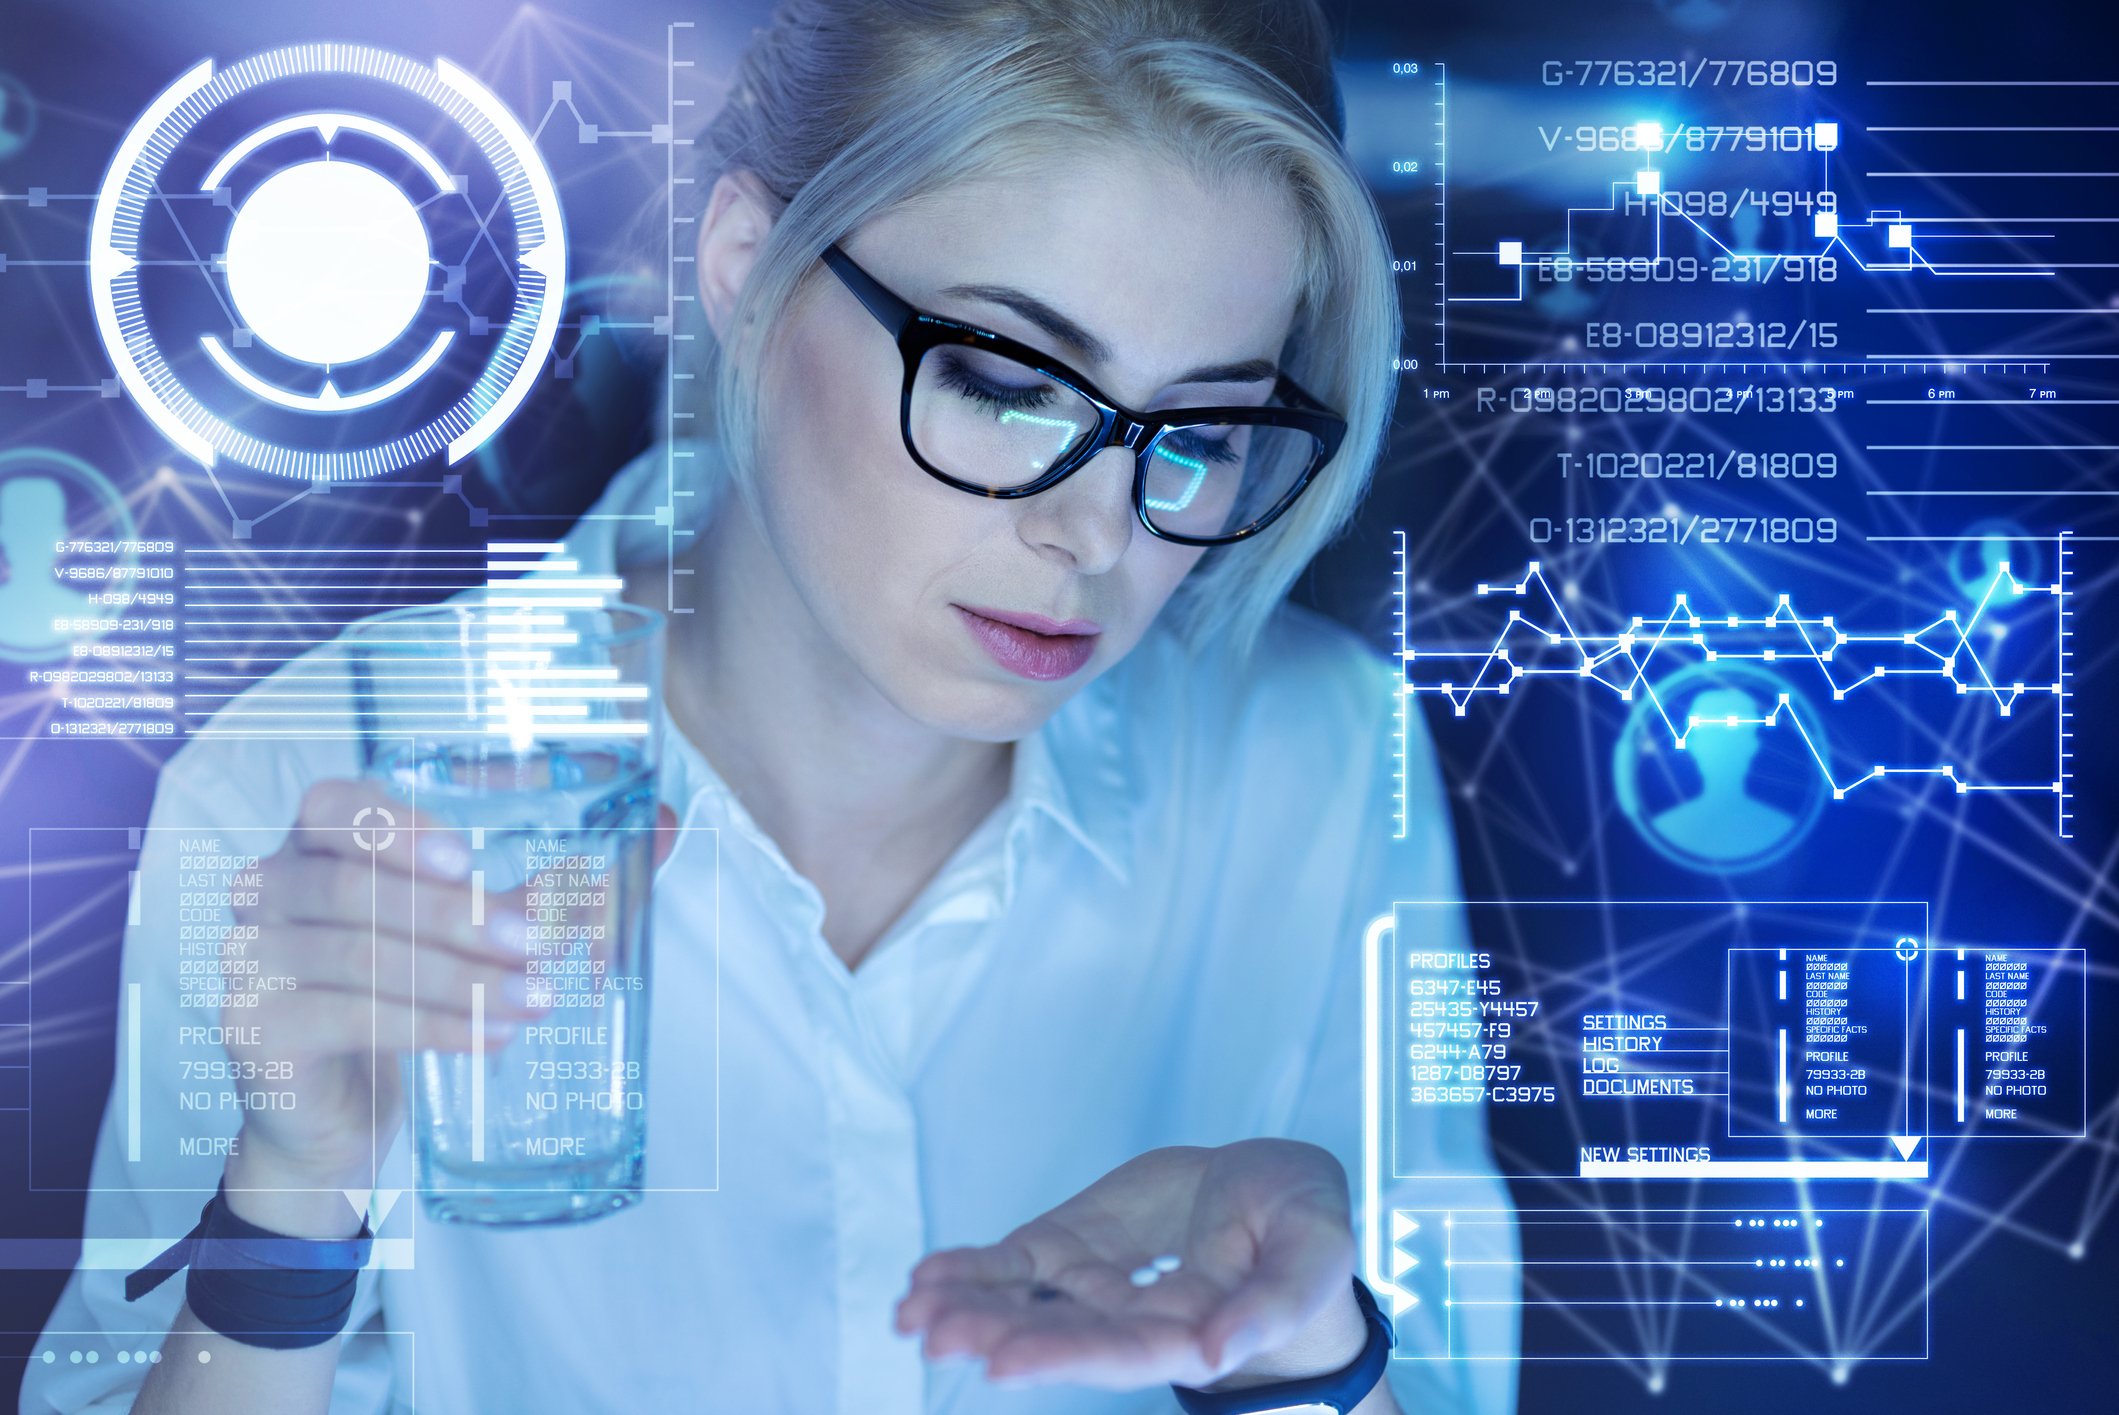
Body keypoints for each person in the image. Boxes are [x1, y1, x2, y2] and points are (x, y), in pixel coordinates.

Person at [24, 1, 1514, 1411]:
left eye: (1203, 429)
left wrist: (1296, 1358)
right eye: (1005, 379)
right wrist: (292, 1199)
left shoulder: (1318, 764)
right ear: (746, 262)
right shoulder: (314, 777)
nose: (1101, 534)